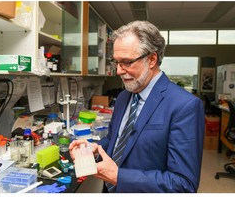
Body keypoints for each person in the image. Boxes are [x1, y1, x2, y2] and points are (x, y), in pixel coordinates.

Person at [69, 20, 205, 193]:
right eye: (116, 62)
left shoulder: (184, 105)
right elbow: (116, 141)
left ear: (152, 59)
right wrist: (96, 150)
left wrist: (118, 176)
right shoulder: (124, 96)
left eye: (126, 62)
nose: (118, 71)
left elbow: (183, 185)